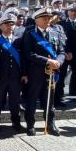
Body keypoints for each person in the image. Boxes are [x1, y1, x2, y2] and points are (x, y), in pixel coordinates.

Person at [23, 8, 65, 136]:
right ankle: (30, 124)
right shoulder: (30, 33)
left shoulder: (55, 32)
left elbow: (62, 51)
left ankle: (50, 124)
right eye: (44, 18)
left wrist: (58, 61)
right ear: (36, 20)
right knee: (32, 99)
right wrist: (48, 61)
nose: (48, 20)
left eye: (49, 18)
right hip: (35, 73)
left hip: (52, 73)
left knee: (50, 100)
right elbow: (29, 54)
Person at [0, 13, 26, 134]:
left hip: (15, 77)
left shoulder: (19, 40)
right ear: (1, 26)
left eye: (11, 24)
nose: (10, 26)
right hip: (0, 77)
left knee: (15, 102)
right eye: (6, 24)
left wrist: (24, 73)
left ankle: (16, 122)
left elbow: (23, 58)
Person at [56, 3, 76, 105]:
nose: (74, 13)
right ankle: (59, 96)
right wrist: (66, 51)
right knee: (61, 76)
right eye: (72, 11)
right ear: (68, 12)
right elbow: (61, 40)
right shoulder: (61, 24)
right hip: (65, 54)